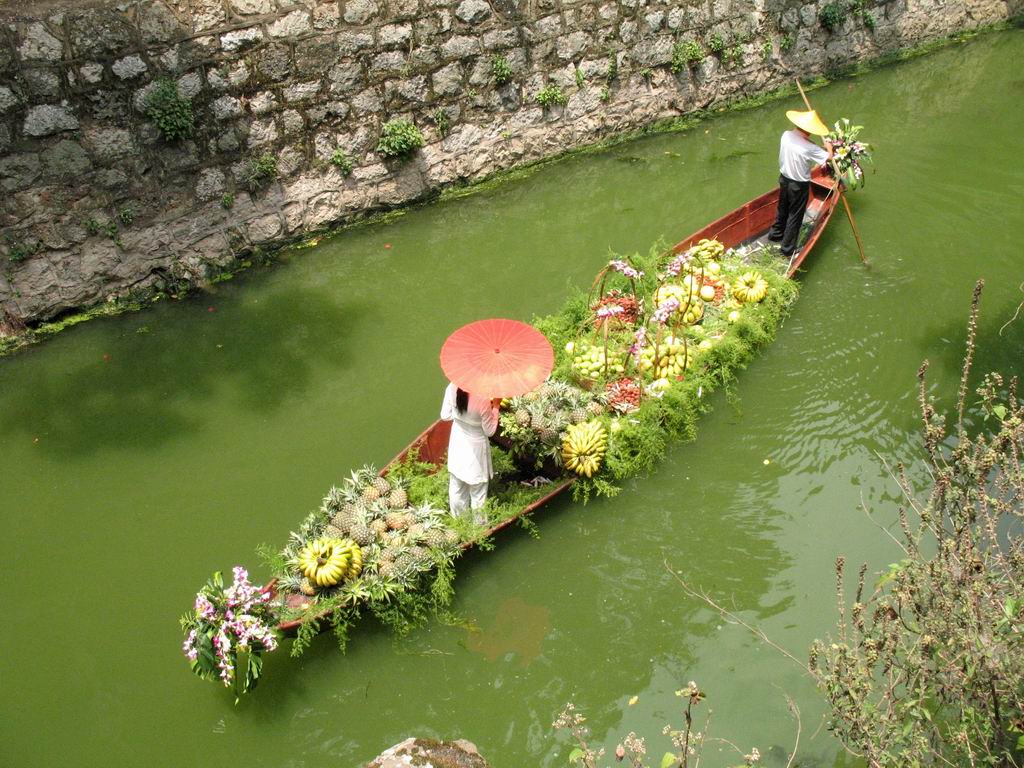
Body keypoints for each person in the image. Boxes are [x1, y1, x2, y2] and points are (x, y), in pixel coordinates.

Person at [768, 109, 834, 257]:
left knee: (782, 207)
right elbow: (829, 157)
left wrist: (816, 147)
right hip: (798, 185)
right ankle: (787, 249)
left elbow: (805, 144)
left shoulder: (786, 135)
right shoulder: (810, 147)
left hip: (784, 179)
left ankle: (775, 234)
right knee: (795, 215)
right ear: (810, 130)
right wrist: (828, 144)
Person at [439, 382, 500, 522]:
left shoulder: (452, 387)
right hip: (476, 446)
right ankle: (479, 528)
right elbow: (489, 431)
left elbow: (445, 415)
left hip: (457, 441)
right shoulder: (483, 399)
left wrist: (461, 419)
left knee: (456, 486)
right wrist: (496, 406)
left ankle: (459, 523)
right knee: (478, 491)